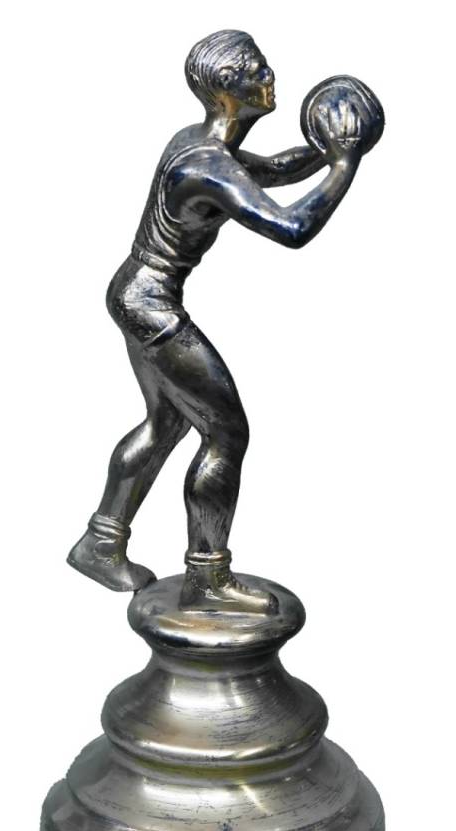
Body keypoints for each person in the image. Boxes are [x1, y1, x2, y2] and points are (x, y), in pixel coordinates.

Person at [67, 29, 367, 611]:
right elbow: (291, 228)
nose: (270, 76)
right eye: (258, 70)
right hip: (152, 305)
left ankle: (100, 544)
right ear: (229, 86)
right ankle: (207, 576)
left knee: (166, 423)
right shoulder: (207, 168)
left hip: (135, 294)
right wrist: (344, 164)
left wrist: (323, 148)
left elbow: (271, 169)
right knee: (225, 432)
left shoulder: (204, 144)